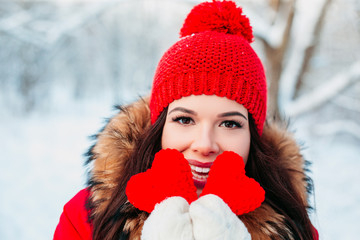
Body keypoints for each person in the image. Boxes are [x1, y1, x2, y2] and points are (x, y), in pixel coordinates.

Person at [54, 1, 318, 239]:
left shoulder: (296, 230)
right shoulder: (84, 219)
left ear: (252, 135)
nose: (205, 145)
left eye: (230, 124)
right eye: (184, 120)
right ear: (159, 126)